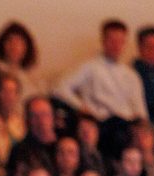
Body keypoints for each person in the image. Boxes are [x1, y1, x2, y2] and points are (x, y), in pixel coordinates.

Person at [55, 19, 148, 155]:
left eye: (120, 41)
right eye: (112, 40)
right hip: (101, 123)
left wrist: (141, 128)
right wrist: (81, 106)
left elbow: (141, 111)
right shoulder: (90, 67)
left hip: (126, 126)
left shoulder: (131, 75)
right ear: (103, 41)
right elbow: (60, 88)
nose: (116, 45)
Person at [0, 21, 44, 102]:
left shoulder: (32, 76)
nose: (14, 46)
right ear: (2, 44)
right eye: (10, 41)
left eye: (19, 42)